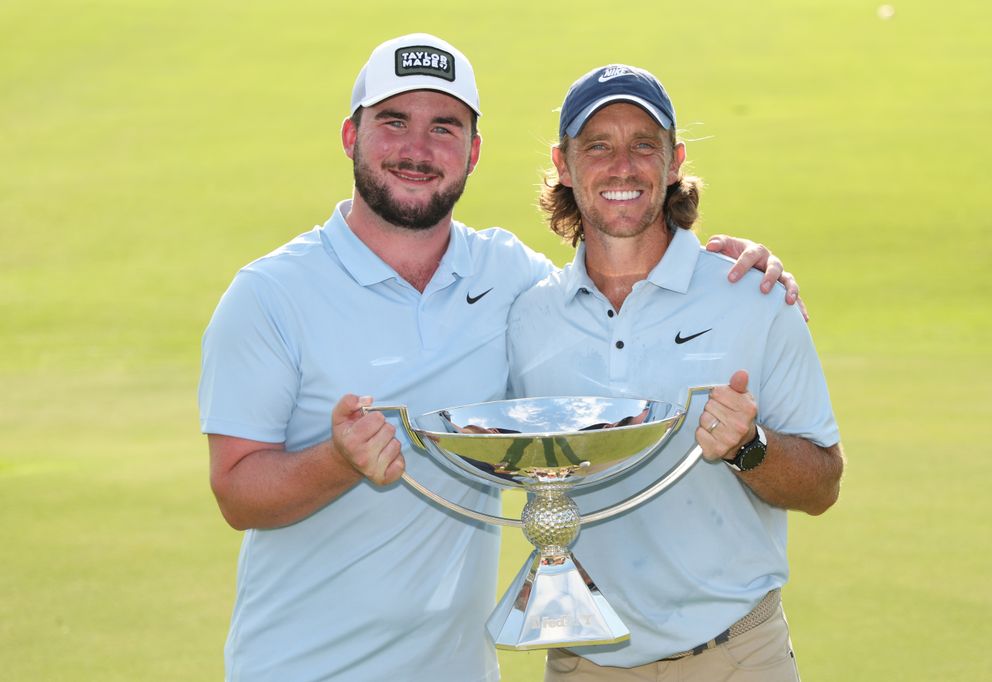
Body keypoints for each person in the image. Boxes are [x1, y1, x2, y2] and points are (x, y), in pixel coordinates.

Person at [199, 34, 805, 682]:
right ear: (352, 136)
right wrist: (337, 460)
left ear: (473, 151)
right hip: (300, 668)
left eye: (444, 127)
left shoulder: (508, 276)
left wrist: (734, 268)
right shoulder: (269, 295)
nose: (417, 150)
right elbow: (237, 491)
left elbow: (610, 293)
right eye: (394, 123)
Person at [506, 64, 845, 681]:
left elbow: (823, 485)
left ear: (674, 160)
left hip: (738, 656)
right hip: (584, 663)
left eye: (644, 145)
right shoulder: (528, 316)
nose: (623, 166)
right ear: (563, 164)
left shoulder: (753, 295)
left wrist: (751, 449)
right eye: (598, 147)